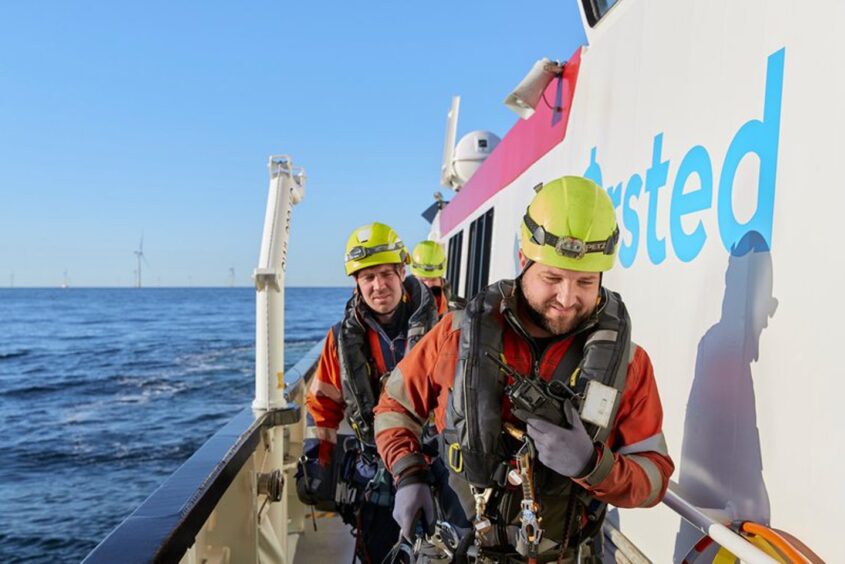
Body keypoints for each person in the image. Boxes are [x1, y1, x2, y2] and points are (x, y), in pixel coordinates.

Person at [374, 176, 674, 562]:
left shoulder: (631, 365)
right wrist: (407, 472)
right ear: (523, 260)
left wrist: (593, 466)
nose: (567, 298)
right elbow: (394, 408)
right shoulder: (454, 334)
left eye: (585, 282)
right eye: (552, 277)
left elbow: (654, 478)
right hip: (460, 547)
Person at [304, 221, 439, 563]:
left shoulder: (443, 328)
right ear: (356, 283)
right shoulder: (340, 341)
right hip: (377, 478)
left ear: (402, 272)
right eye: (368, 277)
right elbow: (323, 403)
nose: (378, 286)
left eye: (385, 274)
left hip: (437, 470)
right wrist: (316, 460)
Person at [410, 240, 461, 317]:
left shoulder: (460, 309)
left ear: (441, 280)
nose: (428, 285)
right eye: (422, 280)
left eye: (433, 279)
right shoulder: (399, 308)